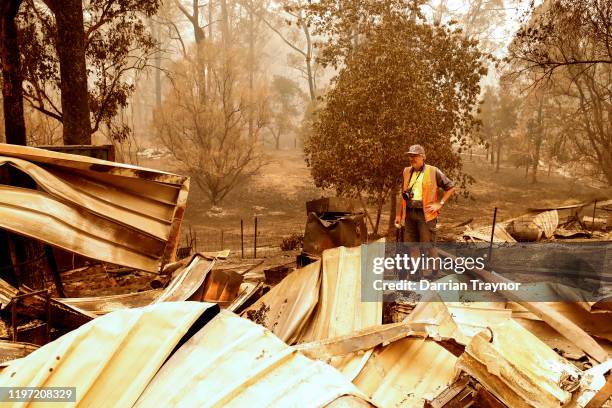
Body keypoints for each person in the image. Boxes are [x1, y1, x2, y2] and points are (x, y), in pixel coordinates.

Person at [394, 144, 456, 242]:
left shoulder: (433, 171)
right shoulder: (406, 171)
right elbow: (403, 195)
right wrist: (398, 215)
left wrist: (440, 203)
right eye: (410, 156)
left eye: (415, 156)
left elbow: (451, 187)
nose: (411, 158)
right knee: (412, 247)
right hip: (409, 214)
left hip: (426, 215)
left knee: (429, 247)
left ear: (423, 157)